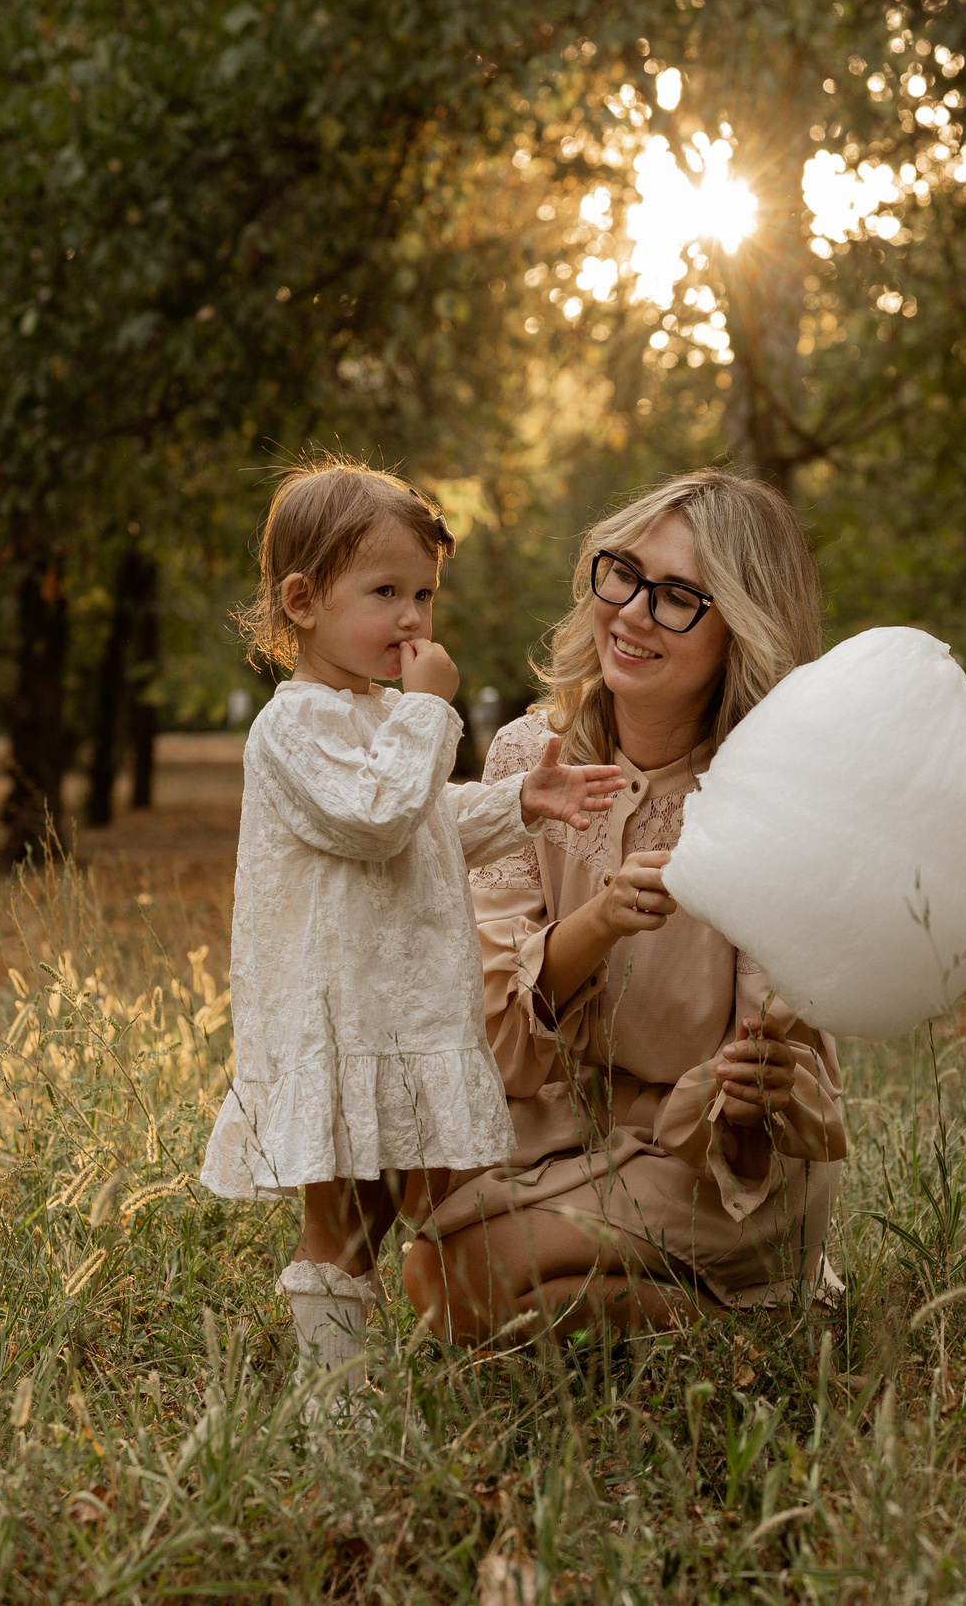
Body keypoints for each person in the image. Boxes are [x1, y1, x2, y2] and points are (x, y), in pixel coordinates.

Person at [197, 458, 625, 1397]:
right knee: (342, 1215)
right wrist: (433, 709)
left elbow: (417, 828)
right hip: (338, 1017)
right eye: (385, 591)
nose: (413, 619)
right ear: (303, 601)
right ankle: (331, 1392)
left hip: (398, 1008)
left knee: (393, 1197)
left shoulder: (384, 717)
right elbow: (375, 814)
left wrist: (521, 798)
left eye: (425, 593)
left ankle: (413, 1339)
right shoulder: (293, 726)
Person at [404, 471, 849, 1344]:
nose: (635, 612)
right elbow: (493, 1014)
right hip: (561, 1111)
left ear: (742, 630)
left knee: (466, 1280)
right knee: (427, 1262)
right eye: (624, 574)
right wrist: (601, 920)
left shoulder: (773, 798)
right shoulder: (532, 755)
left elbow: (774, 1047)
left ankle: (758, 1307)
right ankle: (693, 1317)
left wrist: (755, 1088)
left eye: (680, 596)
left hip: (701, 1155)